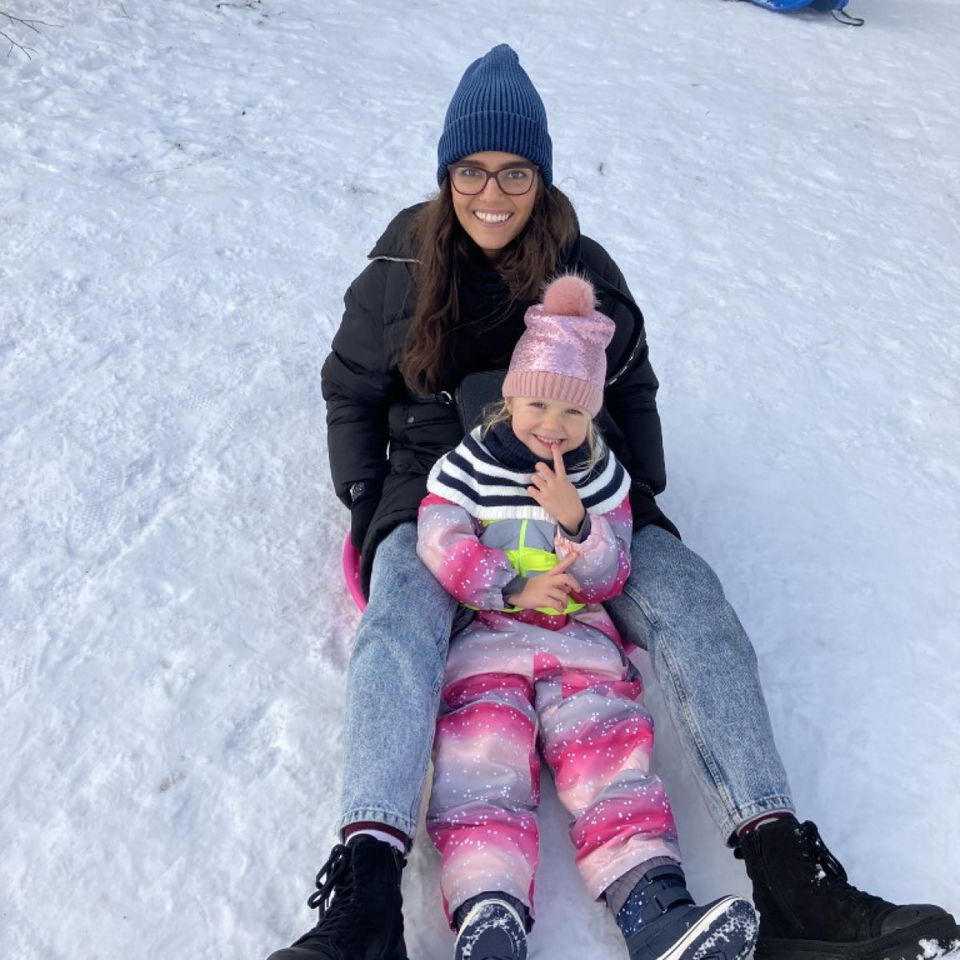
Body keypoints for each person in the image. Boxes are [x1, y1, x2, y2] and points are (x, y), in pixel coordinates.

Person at [265, 44, 959, 960]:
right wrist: (368, 504)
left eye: (515, 171)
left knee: (691, 599)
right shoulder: (401, 265)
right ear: (446, 174)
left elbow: (631, 384)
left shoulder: (582, 268)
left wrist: (631, 497)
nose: (492, 192)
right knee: (398, 620)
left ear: (542, 177)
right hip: (445, 488)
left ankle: (790, 881)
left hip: (582, 487)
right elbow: (350, 390)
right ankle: (363, 899)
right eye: (471, 170)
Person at [416, 273, 758, 960]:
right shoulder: (469, 468)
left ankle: (655, 910)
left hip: (581, 652)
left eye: (572, 413)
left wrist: (577, 520)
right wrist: (510, 587)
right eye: (538, 402)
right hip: (488, 647)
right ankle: (490, 914)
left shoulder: (599, 478)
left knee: (610, 760)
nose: (552, 425)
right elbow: (440, 541)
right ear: (512, 394)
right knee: (482, 762)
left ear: (592, 416)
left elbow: (612, 572)